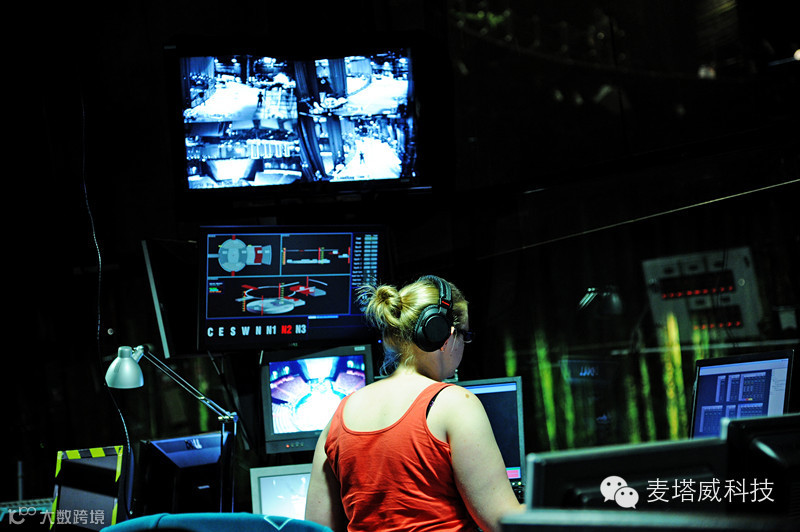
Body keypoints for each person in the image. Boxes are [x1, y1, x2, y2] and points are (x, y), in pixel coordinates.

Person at [305, 275, 524, 531]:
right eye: (465, 335)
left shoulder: (339, 416)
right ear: (444, 334)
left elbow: (315, 527)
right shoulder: (454, 403)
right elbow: (501, 523)